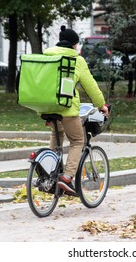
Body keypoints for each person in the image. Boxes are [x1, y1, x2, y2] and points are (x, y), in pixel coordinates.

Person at [43, 25, 109, 194]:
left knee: (56, 135)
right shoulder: (77, 60)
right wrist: (101, 104)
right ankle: (67, 178)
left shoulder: (46, 55)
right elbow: (91, 86)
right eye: (77, 45)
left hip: (47, 106)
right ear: (73, 45)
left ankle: (49, 175)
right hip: (67, 109)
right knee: (77, 141)